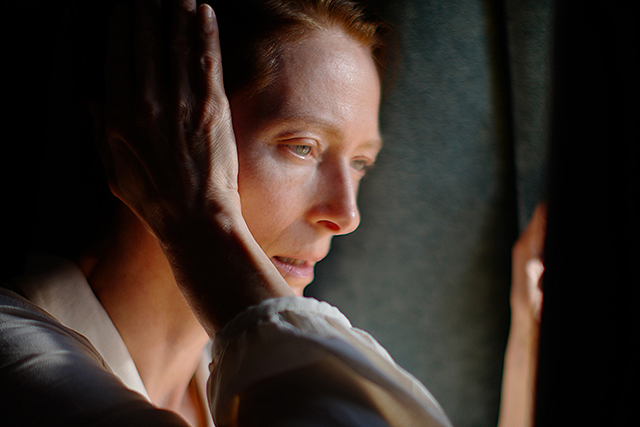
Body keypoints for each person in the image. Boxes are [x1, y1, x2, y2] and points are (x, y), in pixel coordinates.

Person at [0, 1, 544, 426]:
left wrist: (528, 337)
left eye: (360, 163)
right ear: (155, 129)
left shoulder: (233, 380)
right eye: (301, 147)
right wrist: (200, 219)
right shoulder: (14, 352)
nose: (346, 214)